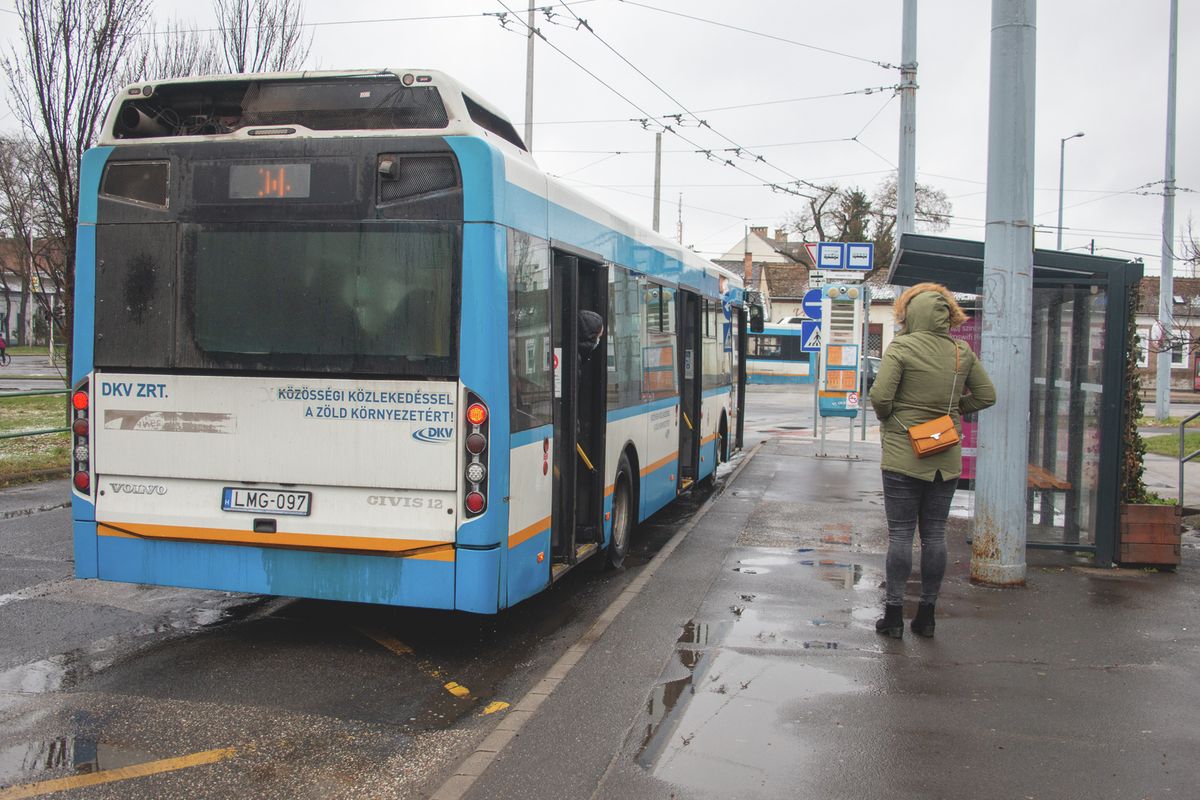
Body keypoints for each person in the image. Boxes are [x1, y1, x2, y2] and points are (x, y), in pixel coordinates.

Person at [868, 283, 996, 638]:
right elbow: (986, 395)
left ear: (908, 313)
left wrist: (889, 417)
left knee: (900, 534)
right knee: (935, 535)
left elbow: (880, 396)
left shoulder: (902, 347)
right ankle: (926, 615)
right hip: (944, 455)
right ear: (947, 315)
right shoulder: (961, 352)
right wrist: (955, 411)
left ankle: (893, 616)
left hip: (902, 455)